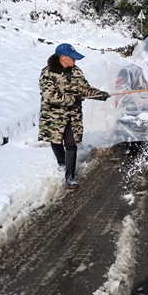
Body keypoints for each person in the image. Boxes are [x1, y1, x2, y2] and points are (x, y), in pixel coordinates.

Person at [38, 43, 109, 189]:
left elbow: (85, 88)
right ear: (62, 57)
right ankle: (62, 163)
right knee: (56, 141)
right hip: (54, 115)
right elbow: (50, 95)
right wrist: (72, 99)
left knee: (71, 143)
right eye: (72, 58)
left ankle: (70, 176)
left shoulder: (76, 71)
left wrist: (99, 94)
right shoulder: (48, 73)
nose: (75, 61)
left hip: (72, 115)